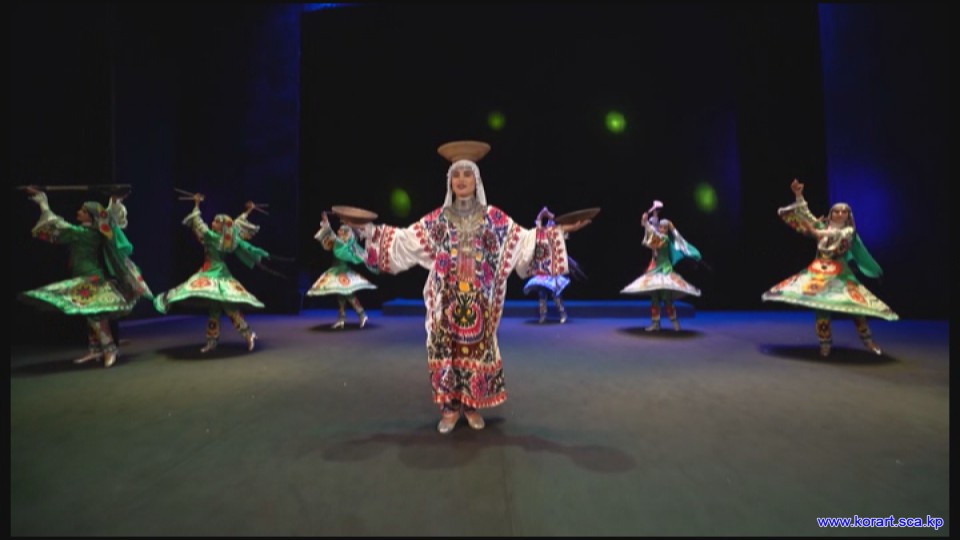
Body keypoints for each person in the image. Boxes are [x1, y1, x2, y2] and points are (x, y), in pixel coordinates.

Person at [360, 140, 590, 434]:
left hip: (480, 302)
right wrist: (369, 232)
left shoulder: (494, 218)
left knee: (476, 351)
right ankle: (449, 408)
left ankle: (471, 405)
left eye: (467, 174)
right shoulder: (439, 220)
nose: (461, 180)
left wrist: (560, 231)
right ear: (450, 182)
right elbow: (405, 241)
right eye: (456, 175)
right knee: (446, 351)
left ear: (476, 180)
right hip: (446, 302)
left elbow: (523, 241)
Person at [762, 179, 898, 356]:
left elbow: (836, 235)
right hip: (819, 271)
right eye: (836, 211)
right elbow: (806, 216)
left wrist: (816, 231)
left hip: (841, 273)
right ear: (831, 214)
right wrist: (799, 195)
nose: (840, 214)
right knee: (821, 306)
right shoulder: (823, 225)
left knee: (855, 306)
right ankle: (824, 344)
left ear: (848, 215)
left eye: (844, 211)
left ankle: (868, 341)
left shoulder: (849, 232)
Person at [19, 187, 153, 368]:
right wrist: (114, 200)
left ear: (90, 216)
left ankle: (110, 349)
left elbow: (57, 225)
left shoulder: (84, 234)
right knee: (89, 312)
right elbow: (108, 218)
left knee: (95, 314)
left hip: (91, 277)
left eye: (83, 211)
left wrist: (43, 203)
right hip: (83, 275)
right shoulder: (89, 232)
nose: (78, 212)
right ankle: (96, 349)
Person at [154, 194, 270, 353]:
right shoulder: (228, 238)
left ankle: (248, 334)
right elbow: (236, 224)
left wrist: (196, 204)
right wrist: (248, 212)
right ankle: (213, 340)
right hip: (212, 272)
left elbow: (197, 222)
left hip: (215, 274)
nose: (212, 223)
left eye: (216, 222)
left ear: (221, 227)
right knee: (215, 309)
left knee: (229, 307)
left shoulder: (211, 237)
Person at [620, 200, 702, 331]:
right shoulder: (659, 235)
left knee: (666, 298)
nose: (661, 229)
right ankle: (655, 323)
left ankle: (674, 321)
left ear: (667, 230)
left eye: (664, 228)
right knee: (654, 298)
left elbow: (652, 241)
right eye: (661, 227)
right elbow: (652, 234)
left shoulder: (665, 239)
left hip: (664, 269)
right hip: (655, 269)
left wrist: (646, 223)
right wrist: (647, 221)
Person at [307, 211, 376, 329]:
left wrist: (325, 220)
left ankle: (361, 314)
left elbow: (330, 233)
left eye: (341, 231)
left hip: (341, 272)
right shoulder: (342, 243)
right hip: (337, 270)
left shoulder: (342, 243)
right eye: (339, 230)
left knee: (348, 293)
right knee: (341, 294)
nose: (338, 231)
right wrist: (344, 222)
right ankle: (342, 318)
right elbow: (333, 236)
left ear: (345, 234)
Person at [522, 206, 586, 324]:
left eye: (551, 225)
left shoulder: (557, 233)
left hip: (553, 271)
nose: (549, 226)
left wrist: (581, 223)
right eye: (548, 224)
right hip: (543, 271)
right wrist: (544, 213)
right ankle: (543, 315)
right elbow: (538, 221)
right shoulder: (541, 235)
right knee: (542, 294)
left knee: (556, 295)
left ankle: (562, 314)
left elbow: (572, 228)